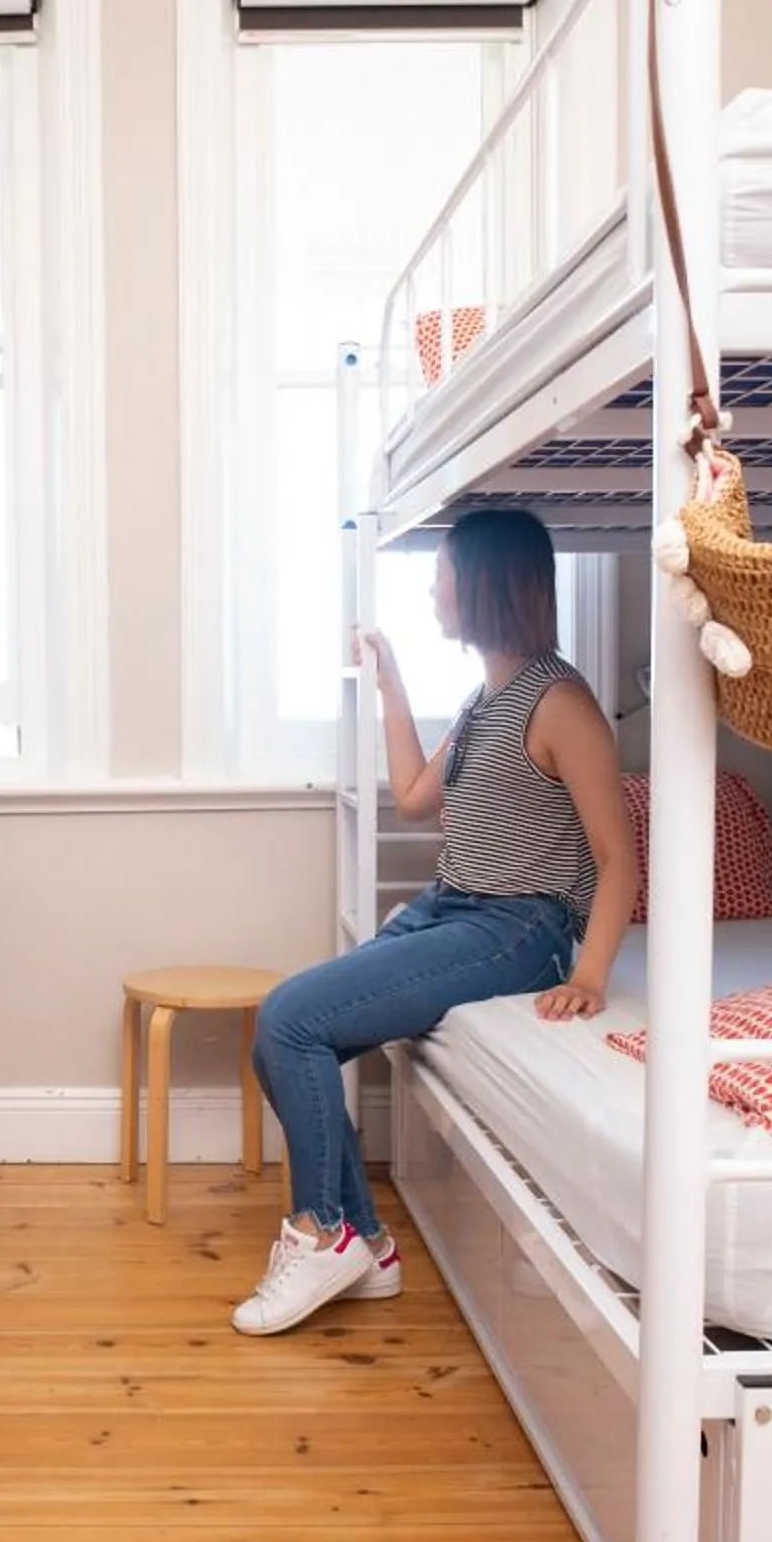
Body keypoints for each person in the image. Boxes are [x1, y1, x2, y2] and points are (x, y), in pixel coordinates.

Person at [235, 508, 639, 1336]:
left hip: (517, 928)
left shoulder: (561, 703)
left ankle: (323, 1232)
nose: (432, 591)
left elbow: (619, 856)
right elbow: (417, 797)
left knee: (289, 1020)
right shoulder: (487, 698)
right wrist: (391, 684)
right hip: (452, 906)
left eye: (442, 575)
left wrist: (590, 975)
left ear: (485, 584)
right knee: (284, 1036)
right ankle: (366, 1248)